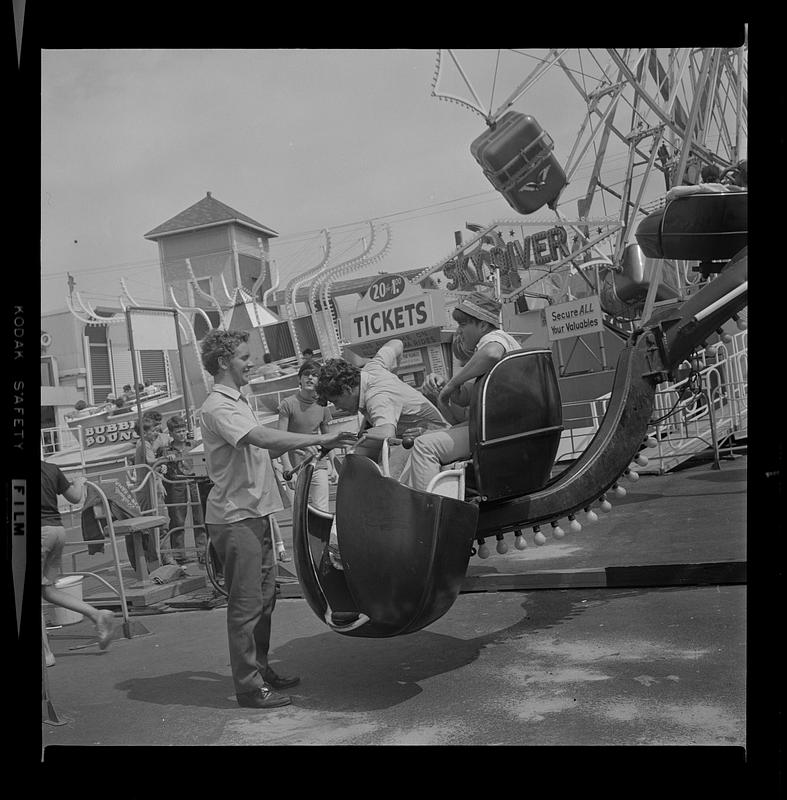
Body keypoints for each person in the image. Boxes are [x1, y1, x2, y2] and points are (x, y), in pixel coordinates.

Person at [199, 329, 359, 709]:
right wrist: (319, 441)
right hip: (235, 519)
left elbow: (257, 452)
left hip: (255, 513)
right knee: (246, 604)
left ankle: (261, 668)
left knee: (265, 597)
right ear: (223, 362)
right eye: (243, 356)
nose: (250, 362)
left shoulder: (238, 401)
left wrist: (299, 458)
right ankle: (249, 687)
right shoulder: (218, 406)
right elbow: (263, 439)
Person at [404, 292, 521, 493]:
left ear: (483, 325)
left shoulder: (495, 338)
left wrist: (451, 385)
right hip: (497, 426)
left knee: (424, 446)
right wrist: (443, 390)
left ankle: (429, 516)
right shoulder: (489, 362)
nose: (459, 331)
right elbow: (460, 410)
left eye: (463, 325)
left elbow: (491, 353)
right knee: (426, 440)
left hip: (497, 429)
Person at [315, 338, 449, 481]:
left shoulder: (377, 397)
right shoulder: (373, 367)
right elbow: (397, 343)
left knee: (385, 475)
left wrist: (353, 437)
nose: (337, 407)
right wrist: (394, 378)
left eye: (336, 401)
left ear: (347, 389)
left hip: (435, 436)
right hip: (415, 437)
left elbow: (386, 432)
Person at [41, 461, 116, 666]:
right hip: (57, 530)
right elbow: (75, 497)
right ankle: (97, 614)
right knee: (48, 590)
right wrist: (81, 481)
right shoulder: (51, 468)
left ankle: (45, 654)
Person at [277, 360, 337, 513]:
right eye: (306, 374)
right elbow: (280, 439)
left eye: (315, 375)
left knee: (322, 512)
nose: (310, 378)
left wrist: (335, 467)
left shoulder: (323, 406)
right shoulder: (287, 404)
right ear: (300, 379)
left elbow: (328, 439)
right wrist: (287, 468)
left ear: (319, 380)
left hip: (318, 464)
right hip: (295, 468)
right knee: (299, 514)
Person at [157, 415, 206, 564]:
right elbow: (160, 466)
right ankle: (179, 555)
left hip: (194, 482)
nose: (182, 434)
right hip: (176, 484)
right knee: (177, 519)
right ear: (171, 433)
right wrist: (166, 460)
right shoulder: (165, 450)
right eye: (178, 431)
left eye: (183, 430)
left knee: (200, 518)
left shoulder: (194, 444)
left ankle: (203, 552)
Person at [133, 417, 176, 567]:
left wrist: (159, 469)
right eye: (152, 431)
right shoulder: (144, 444)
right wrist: (166, 459)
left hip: (150, 488)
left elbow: (151, 465)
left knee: (158, 524)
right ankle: (161, 559)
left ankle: (160, 558)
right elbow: (151, 462)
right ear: (144, 432)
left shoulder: (145, 444)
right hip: (147, 490)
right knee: (159, 524)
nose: (156, 433)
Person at [666, 158, 747, 201]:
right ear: (718, 178)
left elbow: (672, 192)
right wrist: (728, 169)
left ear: (703, 179)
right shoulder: (727, 189)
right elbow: (743, 190)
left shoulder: (700, 189)